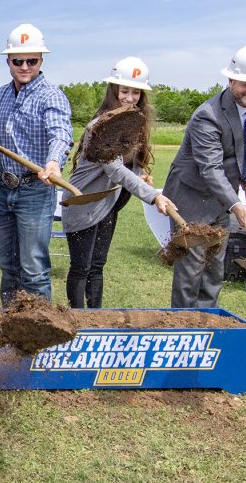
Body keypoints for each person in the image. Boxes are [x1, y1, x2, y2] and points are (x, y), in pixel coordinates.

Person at [162, 44, 246, 308]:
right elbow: (210, 168)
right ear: (230, 79)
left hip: (223, 196)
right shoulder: (207, 115)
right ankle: (182, 328)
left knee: (214, 265)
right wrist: (236, 205)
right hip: (191, 194)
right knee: (191, 265)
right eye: (245, 84)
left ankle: (206, 325)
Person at [62, 57, 174, 308]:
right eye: (125, 91)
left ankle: (97, 317)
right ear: (114, 91)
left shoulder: (133, 123)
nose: (130, 97)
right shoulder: (100, 127)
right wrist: (153, 195)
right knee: (81, 267)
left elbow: (131, 163)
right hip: (84, 202)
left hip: (108, 204)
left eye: (136, 92)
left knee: (98, 266)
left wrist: (141, 171)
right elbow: (115, 169)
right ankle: (79, 321)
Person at [0, 23, 73, 304]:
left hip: (35, 190)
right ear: (8, 61)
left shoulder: (51, 95)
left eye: (32, 60)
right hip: (3, 189)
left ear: (41, 60)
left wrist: (53, 162)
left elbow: (60, 134)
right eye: (18, 61)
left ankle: (39, 333)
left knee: (33, 268)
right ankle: (10, 323)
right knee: (6, 264)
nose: (24, 66)